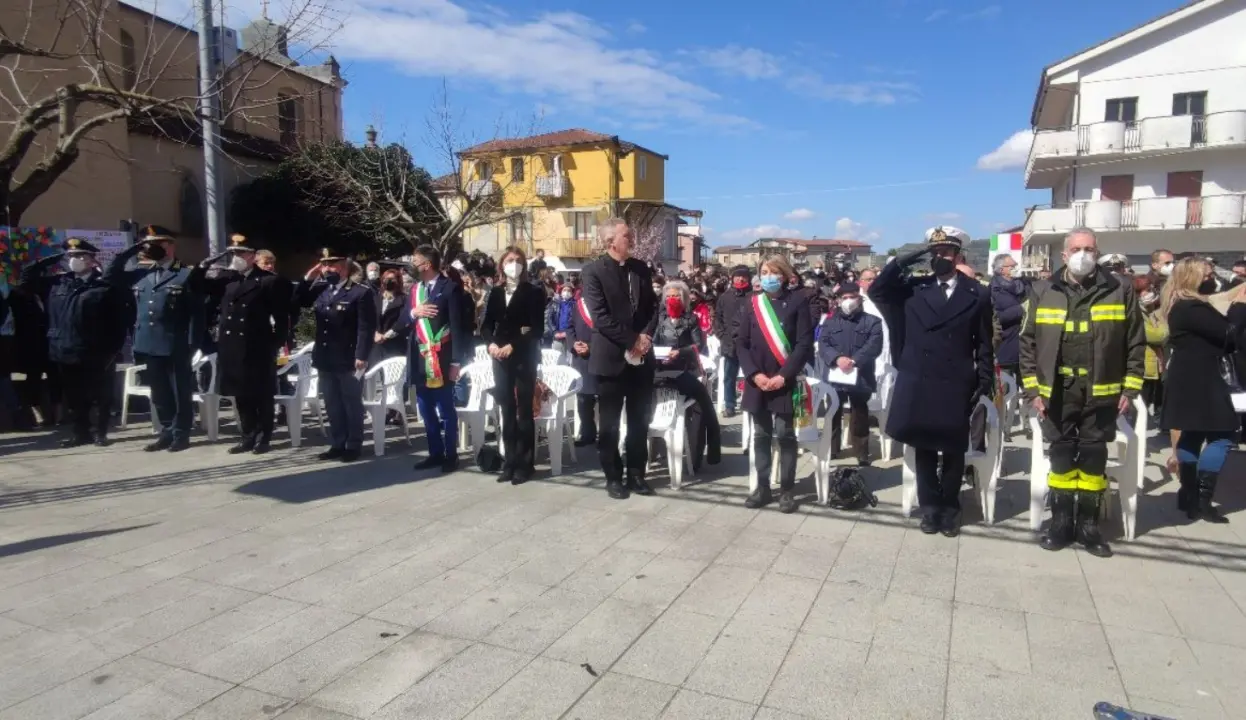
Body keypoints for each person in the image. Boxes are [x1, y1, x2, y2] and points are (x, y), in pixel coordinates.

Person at [1019, 227, 1145, 557]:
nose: (1083, 255)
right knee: (1061, 455)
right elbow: (1027, 342)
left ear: (1098, 252)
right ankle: (1060, 523)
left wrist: (1130, 388)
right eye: (1076, 249)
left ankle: (1088, 526)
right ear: (1064, 255)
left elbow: (1136, 341)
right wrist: (1032, 389)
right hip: (1056, 392)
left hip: (1101, 392)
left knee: (1092, 458)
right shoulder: (1043, 289)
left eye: (1089, 249)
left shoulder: (1120, 288)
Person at [869, 226, 994, 537]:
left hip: (956, 380)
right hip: (919, 379)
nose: (941, 257)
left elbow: (984, 342)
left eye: (946, 252)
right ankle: (930, 510)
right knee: (923, 448)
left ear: (958, 255)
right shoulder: (914, 289)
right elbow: (878, 291)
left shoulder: (976, 293)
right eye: (935, 252)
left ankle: (950, 509)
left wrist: (985, 378)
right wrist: (905, 259)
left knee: (953, 450)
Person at [104, 225, 205, 452]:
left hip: (175, 342)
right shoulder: (143, 273)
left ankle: (181, 433)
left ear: (170, 246)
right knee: (159, 392)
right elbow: (110, 275)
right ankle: (166, 431)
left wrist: (193, 344)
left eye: (158, 244)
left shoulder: (187, 274)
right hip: (148, 342)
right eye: (149, 244)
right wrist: (134, 249)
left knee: (179, 391)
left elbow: (197, 313)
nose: (152, 248)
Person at [1160, 258, 1246, 523]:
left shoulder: (1182, 304)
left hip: (1191, 378)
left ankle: (1189, 495)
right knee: (1223, 436)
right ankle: (1201, 500)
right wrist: (1241, 307)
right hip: (1203, 379)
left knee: (1192, 435)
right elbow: (1228, 334)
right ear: (1193, 278)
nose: (1212, 279)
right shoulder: (1191, 307)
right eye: (1207, 275)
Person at [19, 238, 128, 446]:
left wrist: (113, 349)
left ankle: (100, 433)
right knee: (75, 396)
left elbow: (119, 320)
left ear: (91, 260)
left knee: (100, 394)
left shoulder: (104, 284)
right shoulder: (58, 283)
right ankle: (80, 433)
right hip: (64, 349)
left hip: (96, 351)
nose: (75, 260)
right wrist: (50, 260)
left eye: (80, 256)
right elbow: (26, 280)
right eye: (71, 256)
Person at [582, 218, 659, 500]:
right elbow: (600, 317)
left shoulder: (640, 268)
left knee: (639, 421)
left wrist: (646, 337)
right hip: (611, 360)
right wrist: (632, 340)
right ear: (610, 241)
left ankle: (636, 473)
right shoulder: (593, 272)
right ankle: (613, 476)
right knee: (610, 424)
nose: (632, 238)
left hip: (641, 360)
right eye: (627, 235)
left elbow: (653, 307)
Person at [200, 234, 292, 454]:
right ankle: (247, 435)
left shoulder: (268, 280)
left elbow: (281, 317)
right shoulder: (228, 279)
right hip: (231, 345)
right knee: (240, 393)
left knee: (261, 394)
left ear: (252, 256)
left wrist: (276, 343)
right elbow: (198, 287)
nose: (236, 257)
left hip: (257, 345)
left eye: (241, 253)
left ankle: (264, 436)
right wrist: (203, 266)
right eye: (233, 253)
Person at [737, 256, 814, 512]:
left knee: (785, 435)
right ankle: (762, 487)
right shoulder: (753, 303)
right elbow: (742, 343)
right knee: (760, 435)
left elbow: (804, 342)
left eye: (772, 272)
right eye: (763, 272)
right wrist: (753, 374)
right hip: (758, 380)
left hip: (783, 378)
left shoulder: (798, 301)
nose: (767, 276)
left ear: (783, 275)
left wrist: (785, 375)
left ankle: (787, 490)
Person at [296, 247, 376, 462]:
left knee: (351, 402)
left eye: (332, 264)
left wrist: (362, 355)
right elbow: (300, 300)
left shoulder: (360, 292)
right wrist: (308, 278)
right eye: (324, 264)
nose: (327, 268)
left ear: (344, 267)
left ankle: (353, 444)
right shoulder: (322, 289)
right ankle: (338, 443)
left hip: (348, 357)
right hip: (325, 356)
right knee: (331, 403)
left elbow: (365, 328)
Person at [480, 247, 546, 484]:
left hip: (523, 356)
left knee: (524, 410)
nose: (514, 264)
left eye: (518, 261)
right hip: (499, 356)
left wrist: (514, 346)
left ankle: (525, 464)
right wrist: (490, 344)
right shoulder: (495, 292)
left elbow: (537, 329)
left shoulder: (534, 291)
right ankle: (509, 461)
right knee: (506, 409)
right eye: (509, 260)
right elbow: (486, 324)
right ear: (501, 265)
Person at [402, 245, 468, 473]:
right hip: (420, 358)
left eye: (415, 260)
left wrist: (457, 362)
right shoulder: (415, 290)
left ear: (427, 264)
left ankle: (451, 454)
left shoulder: (450, 288)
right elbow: (402, 319)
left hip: (442, 358)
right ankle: (435, 452)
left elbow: (459, 328)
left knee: (446, 409)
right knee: (426, 409)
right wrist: (414, 312)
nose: (412, 265)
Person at [654, 279, 721, 467]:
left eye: (676, 295)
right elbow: (653, 343)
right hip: (662, 368)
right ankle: (652, 450)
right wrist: (660, 355)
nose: (672, 298)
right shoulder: (660, 319)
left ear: (683, 298)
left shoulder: (691, 319)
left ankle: (697, 454)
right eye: (669, 295)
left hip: (686, 368)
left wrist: (680, 352)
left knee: (701, 402)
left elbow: (698, 345)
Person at [818, 282, 883, 466]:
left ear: (859, 299)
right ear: (838, 301)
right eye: (844, 298)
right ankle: (832, 448)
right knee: (833, 412)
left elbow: (874, 346)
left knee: (859, 414)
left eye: (851, 297)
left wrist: (854, 361)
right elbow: (823, 345)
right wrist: (837, 359)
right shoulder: (830, 322)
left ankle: (861, 452)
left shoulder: (872, 321)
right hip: (835, 376)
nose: (848, 301)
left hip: (860, 376)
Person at [713, 265, 751, 418]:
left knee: (751, 375)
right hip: (729, 343)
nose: (740, 279)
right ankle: (729, 405)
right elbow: (717, 319)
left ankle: (750, 403)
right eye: (737, 276)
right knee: (729, 376)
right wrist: (722, 335)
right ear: (732, 278)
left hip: (749, 344)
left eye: (744, 276)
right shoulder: (725, 297)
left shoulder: (753, 296)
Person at [565, 285, 598, 447]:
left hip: (602, 356)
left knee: (606, 400)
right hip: (581, 359)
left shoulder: (608, 302)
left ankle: (607, 436)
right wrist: (574, 344)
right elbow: (569, 327)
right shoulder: (578, 305)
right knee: (584, 399)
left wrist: (591, 346)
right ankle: (588, 433)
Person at [1133, 276, 1167, 418]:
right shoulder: (1136, 312)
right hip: (1142, 362)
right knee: (1141, 401)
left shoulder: (1149, 309)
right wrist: (1164, 326)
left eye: (1152, 289)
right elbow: (1158, 336)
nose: (1151, 293)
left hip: (1153, 361)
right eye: (1147, 290)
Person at [990, 254, 1027, 380]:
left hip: (1026, 351)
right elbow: (994, 318)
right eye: (1012, 266)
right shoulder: (992, 290)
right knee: (1006, 394)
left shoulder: (1025, 285)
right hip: (1005, 350)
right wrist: (1020, 309)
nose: (1016, 267)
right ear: (1002, 270)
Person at [369, 268, 410, 367]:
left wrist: (386, 335)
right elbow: (369, 319)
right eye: (386, 279)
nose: (389, 281)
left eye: (392, 279)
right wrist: (375, 333)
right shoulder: (376, 298)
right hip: (376, 346)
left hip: (394, 346)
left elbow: (403, 321)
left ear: (398, 281)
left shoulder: (405, 299)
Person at [544, 284, 575, 353]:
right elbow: (549, 319)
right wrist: (555, 332)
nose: (566, 292)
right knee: (558, 358)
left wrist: (569, 333)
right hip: (558, 336)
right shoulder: (555, 303)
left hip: (571, 337)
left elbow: (577, 321)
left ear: (572, 293)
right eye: (564, 290)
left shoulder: (575, 304)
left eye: (569, 290)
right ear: (561, 292)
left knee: (571, 359)